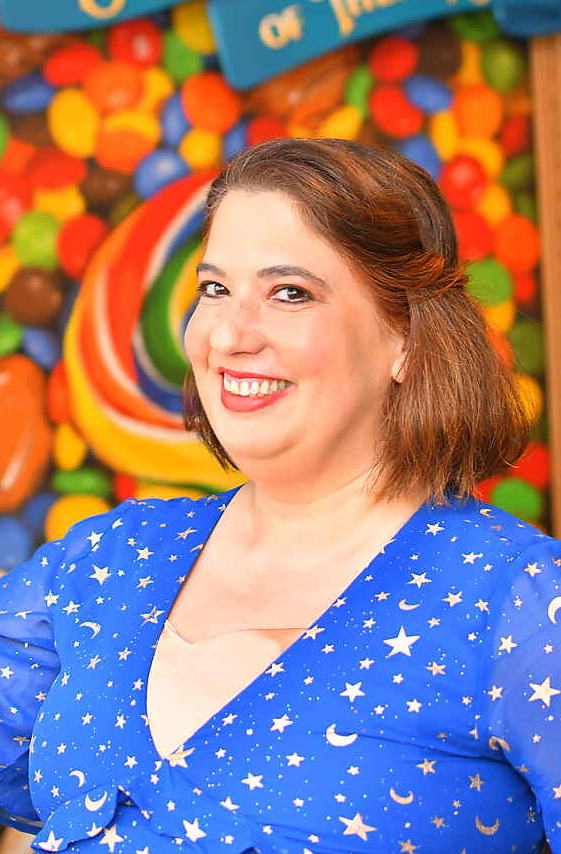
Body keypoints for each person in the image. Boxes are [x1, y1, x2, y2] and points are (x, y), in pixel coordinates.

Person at [0, 138, 558, 854]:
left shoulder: (517, 599)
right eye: (214, 289)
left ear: (405, 338)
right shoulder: (110, 555)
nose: (229, 335)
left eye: (289, 292)